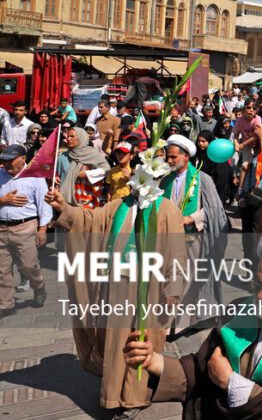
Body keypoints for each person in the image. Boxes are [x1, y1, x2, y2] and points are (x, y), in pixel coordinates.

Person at [123, 230, 262, 418]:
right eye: (257, 285)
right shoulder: (239, 309)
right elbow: (199, 369)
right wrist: (153, 360)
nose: (261, 296)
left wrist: (231, 383)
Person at [46, 173, 186, 416]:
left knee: (138, 343)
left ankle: (133, 398)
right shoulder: (120, 205)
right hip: (113, 288)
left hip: (146, 290)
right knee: (114, 346)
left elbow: (177, 252)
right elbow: (89, 220)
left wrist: (173, 290)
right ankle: (113, 394)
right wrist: (64, 207)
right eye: (136, 177)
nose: (137, 182)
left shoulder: (166, 210)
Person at [162, 134, 228, 332]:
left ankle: (182, 324)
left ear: (186, 157)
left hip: (192, 239)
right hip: (168, 240)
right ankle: (168, 321)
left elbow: (215, 210)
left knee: (188, 281)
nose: (170, 160)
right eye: (168, 157)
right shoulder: (165, 180)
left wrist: (191, 219)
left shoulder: (202, 179)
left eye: (174, 157)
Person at [0, 144, 50, 315]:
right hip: (2, 227)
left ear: (23, 159)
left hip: (25, 225)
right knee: (2, 269)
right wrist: (3, 200)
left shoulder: (35, 177)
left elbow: (44, 204)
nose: (6, 163)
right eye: (4, 160)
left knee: (28, 265)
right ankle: (6, 303)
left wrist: (42, 229)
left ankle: (39, 286)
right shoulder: (0, 175)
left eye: (10, 160)